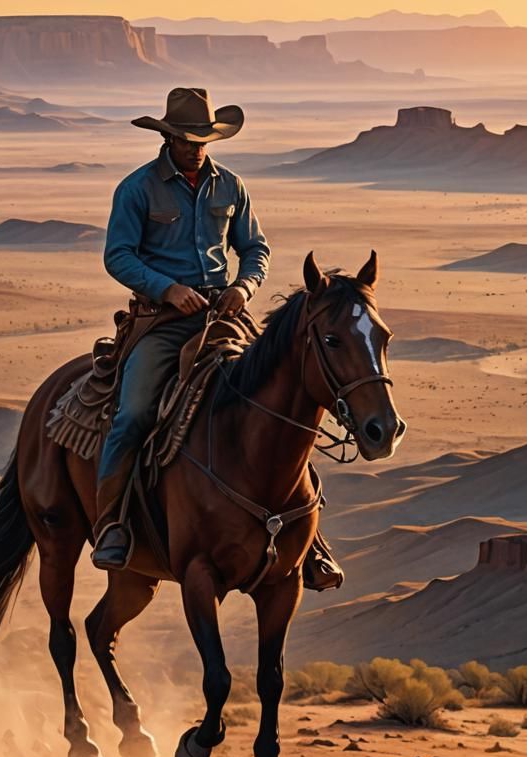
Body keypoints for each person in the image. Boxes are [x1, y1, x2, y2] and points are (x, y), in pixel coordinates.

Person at [91, 87, 344, 591]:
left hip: (224, 313)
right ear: (168, 138)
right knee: (136, 411)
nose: (194, 147)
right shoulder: (138, 189)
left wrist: (244, 287)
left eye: (202, 138)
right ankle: (113, 525)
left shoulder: (231, 186)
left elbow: (255, 248)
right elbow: (118, 256)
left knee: (285, 400)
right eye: (185, 139)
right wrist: (168, 288)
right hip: (162, 320)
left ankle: (310, 539)